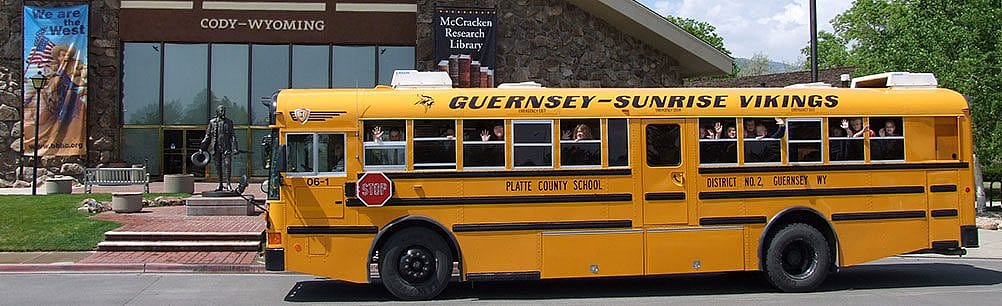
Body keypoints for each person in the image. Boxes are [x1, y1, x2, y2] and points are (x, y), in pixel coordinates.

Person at [200, 105, 239, 191]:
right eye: (221, 111)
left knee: (228, 165)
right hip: (215, 147)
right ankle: (220, 184)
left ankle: (228, 184)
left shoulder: (229, 122)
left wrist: (235, 148)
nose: (223, 112)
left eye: (224, 110)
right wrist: (202, 148)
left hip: (226, 148)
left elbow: (232, 135)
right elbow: (208, 136)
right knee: (218, 167)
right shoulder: (212, 122)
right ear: (217, 112)